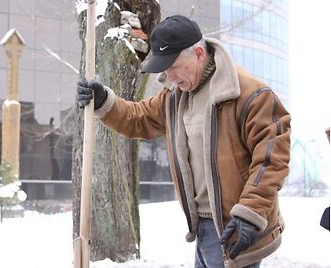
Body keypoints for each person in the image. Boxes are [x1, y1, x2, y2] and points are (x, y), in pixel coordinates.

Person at [77, 15, 291, 268]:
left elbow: (271, 161)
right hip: (202, 227)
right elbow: (139, 118)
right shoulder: (176, 96)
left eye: (173, 66)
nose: (169, 76)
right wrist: (104, 101)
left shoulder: (252, 96)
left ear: (199, 53)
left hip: (235, 226)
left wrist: (249, 214)